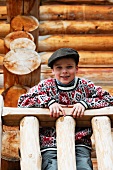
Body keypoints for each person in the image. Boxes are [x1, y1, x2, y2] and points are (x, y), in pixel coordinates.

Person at [18, 48, 113, 170]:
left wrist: (85, 103)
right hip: (50, 144)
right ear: (52, 70)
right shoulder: (45, 86)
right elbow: (22, 101)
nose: (64, 72)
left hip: (80, 143)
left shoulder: (85, 86)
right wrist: (48, 102)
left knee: (83, 167)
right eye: (59, 68)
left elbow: (109, 99)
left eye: (69, 67)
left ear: (76, 68)